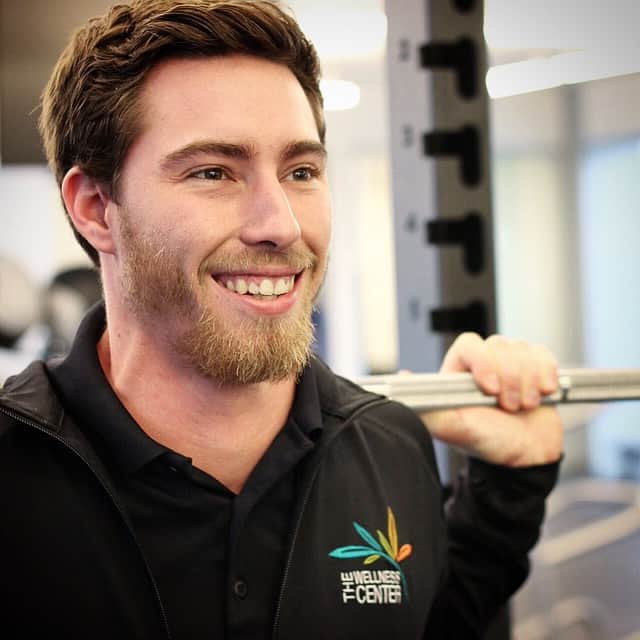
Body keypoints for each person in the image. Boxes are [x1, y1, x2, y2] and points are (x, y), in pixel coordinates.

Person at [0, 1, 563, 638]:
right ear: (97, 208)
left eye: (301, 171)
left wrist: (512, 486)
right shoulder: (14, 474)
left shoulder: (388, 445)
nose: (281, 225)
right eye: (213, 172)